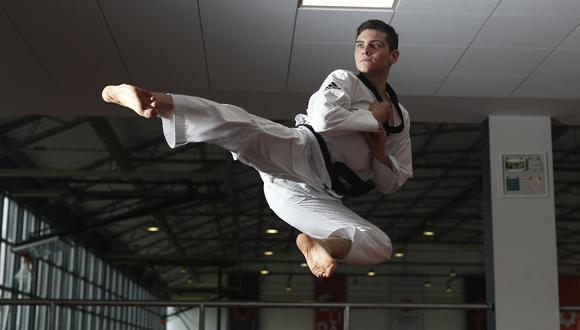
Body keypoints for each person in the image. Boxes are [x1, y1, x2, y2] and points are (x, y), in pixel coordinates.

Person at [101, 19, 412, 278]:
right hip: (304, 150)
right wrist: (371, 118)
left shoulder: (400, 118)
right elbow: (323, 119)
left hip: (315, 194)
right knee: (242, 126)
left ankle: (322, 245)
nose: (365, 51)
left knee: (380, 245)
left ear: (393, 56)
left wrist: (381, 150)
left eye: (375, 45)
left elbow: (393, 182)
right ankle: (147, 98)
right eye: (360, 45)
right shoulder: (344, 79)